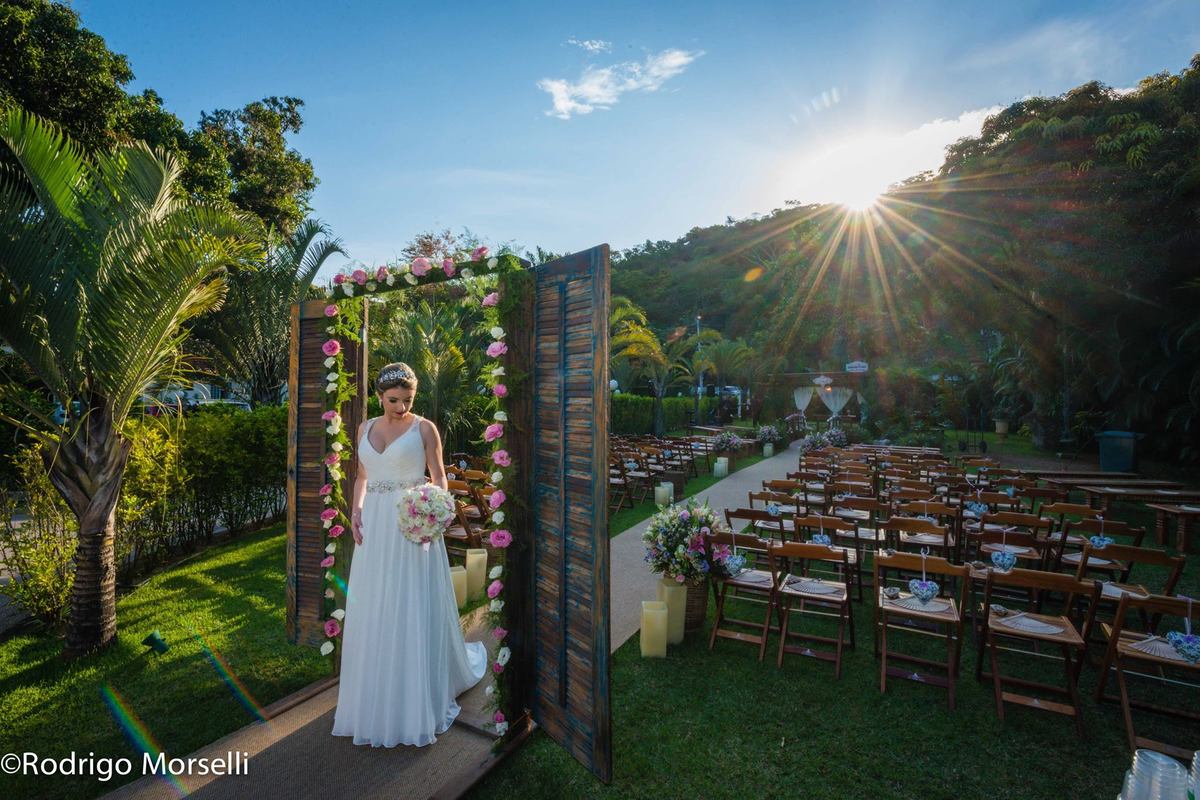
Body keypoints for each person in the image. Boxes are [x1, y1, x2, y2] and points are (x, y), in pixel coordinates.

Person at [331, 362, 487, 747]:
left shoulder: (424, 428)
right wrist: (356, 512)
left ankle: (417, 692)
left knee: (411, 602)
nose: (401, 407)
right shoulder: (365, 428)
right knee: (376, 603)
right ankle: (379, 687)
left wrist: (431, 512)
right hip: (375, 530)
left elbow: (439, 477)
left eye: (408, 400)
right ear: (380, 396)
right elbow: (363, 477)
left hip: (413, 525)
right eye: (393, 400)